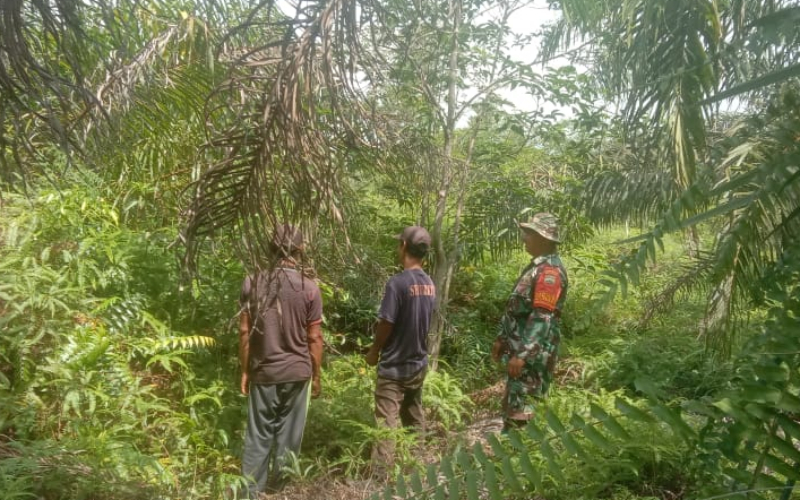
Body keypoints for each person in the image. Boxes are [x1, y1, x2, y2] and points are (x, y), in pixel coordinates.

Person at [238, 224, 324, 497]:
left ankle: (250, 493)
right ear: (300, 251)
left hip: (263, 372)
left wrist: (244, 370)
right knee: (288, 441)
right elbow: (315, 339)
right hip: (298, 373)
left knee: (258, 437)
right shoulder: (309, 288)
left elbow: (244, 331)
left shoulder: (252, 282)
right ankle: (282, 493)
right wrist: (317, 374)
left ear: (271, 249)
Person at [365, 226, 436, 473]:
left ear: (404, 246)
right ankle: (418, 466)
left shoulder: (397, 283)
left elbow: (387, 322)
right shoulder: (429, 283)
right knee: (414, 416)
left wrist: (374, 351)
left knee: (386, 422)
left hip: (394, 367)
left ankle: (379, 477)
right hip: (418, 364)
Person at [492, 213, 568, 432]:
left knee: (521, 413)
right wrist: (501, 339)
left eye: (530, 234)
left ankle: (516, 458)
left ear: (544, 238)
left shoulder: (549, 273)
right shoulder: (536, 268)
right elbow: (516, 310)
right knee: (513, 406)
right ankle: (510, 457)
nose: (524, 238)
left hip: (531, 358)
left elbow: (541, 317)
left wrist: (522, 355)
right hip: (521, 353)